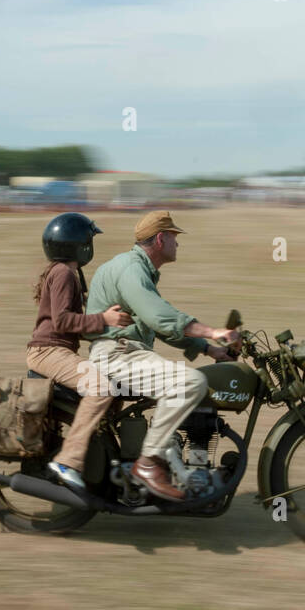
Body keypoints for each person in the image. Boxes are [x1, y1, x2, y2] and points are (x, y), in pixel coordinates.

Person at [83, 210, 238, 501]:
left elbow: (157, 324)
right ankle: (149, 462)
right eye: (174, 238)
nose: (177, 244)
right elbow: (160, 317)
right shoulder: (131, 269)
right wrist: (212, 331)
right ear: (160, 238)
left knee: (188, 384)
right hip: (118, 356)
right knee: (190, 383)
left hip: (127, 353)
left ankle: (172, 458)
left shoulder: (138, 271)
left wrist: (208, 349)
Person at [26, 212, 131, 490]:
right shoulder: (64, 274)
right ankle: (68, 461)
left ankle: (108, 459)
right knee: (100, 388)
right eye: (88, 239)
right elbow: (62, 321)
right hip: (48, 352)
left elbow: (76, 325)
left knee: (116, 385)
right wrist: (105, 320)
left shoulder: (67, 273)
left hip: (56, 350)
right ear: (77, 244)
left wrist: (116, 332)